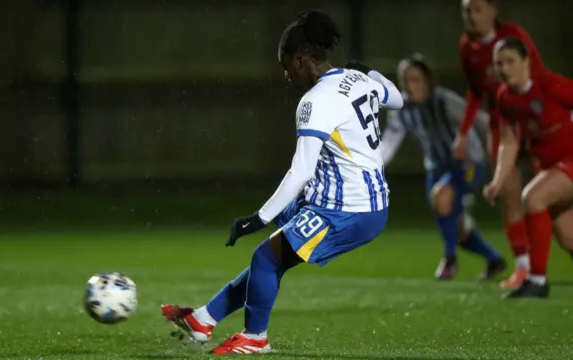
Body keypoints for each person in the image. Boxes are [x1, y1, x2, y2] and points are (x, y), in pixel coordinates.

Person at [160, 10, 403, 354]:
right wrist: (369, 72)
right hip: (355, 200)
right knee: (276, 252)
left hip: (348, 208)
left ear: (302, 60)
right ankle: (204, 318)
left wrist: (256, 218)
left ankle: (255, 338)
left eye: (286, 65)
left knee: (266, 258)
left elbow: (301, 171)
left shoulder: (316, 101)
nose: (286, 74)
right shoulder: (356, 79)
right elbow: (398, 97)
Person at [361, 54, 505, 280]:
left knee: (442, 197)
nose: (411, 85)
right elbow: (388, 144)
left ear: (427, 80)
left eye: (416, 79)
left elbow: (479, 119)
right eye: (407, 80)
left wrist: (503, 142)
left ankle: (449, 259)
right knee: (454, 225)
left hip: (466, 163)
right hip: (436, 167)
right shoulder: (402, 109)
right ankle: (494, 260)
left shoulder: (444, 100)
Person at [452, 0, 546, 289]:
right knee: (508, 192)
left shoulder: (513, 34)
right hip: (501, 126)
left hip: (533, 119)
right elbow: (475, 92)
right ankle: (522, 267)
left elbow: (538, 72)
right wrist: (464, 133)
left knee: (553, 191)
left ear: (493, 9)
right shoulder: (467, 46)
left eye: (477, 8)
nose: (471, 15)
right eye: (466, 9)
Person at [483, 37, 573, 298]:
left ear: (526, 62)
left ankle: (537, 281)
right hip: (549, 167)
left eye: (510, 61)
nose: (504, 68)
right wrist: (498, 181)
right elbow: (509, 142)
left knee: (533, 197)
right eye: (499, 63)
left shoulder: (549, 85)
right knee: (568, 238)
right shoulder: (505, 98)